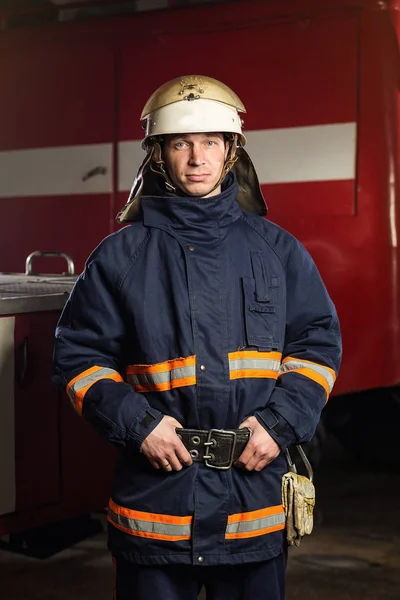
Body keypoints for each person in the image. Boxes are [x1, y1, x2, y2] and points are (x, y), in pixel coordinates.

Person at [52, 75, 342, 600]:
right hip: (157, 507)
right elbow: (79, 358)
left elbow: (317, 346)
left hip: (251, 506)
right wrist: (139, 426)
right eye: (181, 143)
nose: (196, 158)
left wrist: (278, 425)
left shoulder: (277, 251)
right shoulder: (120, 257)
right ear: (158, 154)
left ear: (231, 151)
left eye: (210, 141)